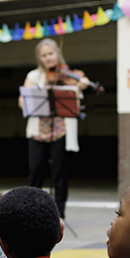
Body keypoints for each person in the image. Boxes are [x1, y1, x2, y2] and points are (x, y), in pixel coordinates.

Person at [19, 38, 90, 218]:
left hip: (61, 131)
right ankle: (31, 209)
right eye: (44, 55)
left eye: (50, 54)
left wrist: (82, 84)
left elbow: (81, 86)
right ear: (39, 58)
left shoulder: (69, 74)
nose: (48, 58)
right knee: (36, 171)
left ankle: (59, 213)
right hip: (38, 131)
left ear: (57, 53)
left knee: (60, 172)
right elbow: (22, 101)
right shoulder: (34, 76)